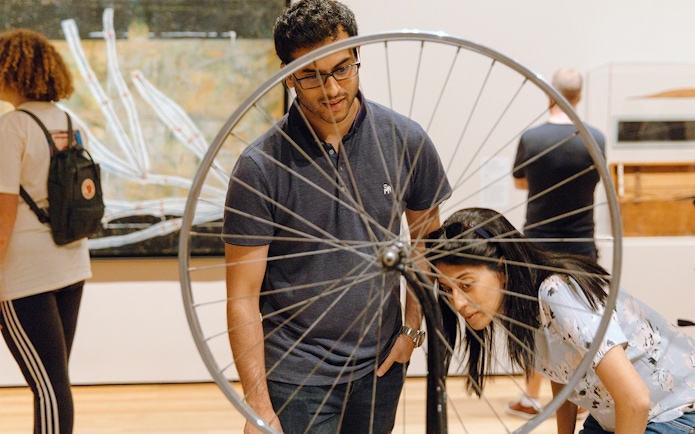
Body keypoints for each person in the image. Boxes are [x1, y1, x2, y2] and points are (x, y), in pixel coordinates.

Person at [222, 1, 452, 433]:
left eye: (342, 68)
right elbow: (241, 296)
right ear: (288, 74)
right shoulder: (259, 166)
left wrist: (411, 333)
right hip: (295, 376)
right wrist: (256, 404)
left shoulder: (406, 140)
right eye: (310, 74)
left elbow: (426, 248)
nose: (330, 88)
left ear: (357, 58)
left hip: (381, 367)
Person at [427, 207, 695, 434]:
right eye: (448, 290)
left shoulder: (557, 292)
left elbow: (636, 400)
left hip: (674, 410)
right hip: (613, 414)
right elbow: (561, 370)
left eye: (466, 285)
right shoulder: (515, 307)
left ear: (502, 266)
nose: (458, 303)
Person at [0, 29, 91, 434]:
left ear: (12, 70)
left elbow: (2, 216)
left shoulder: (11, 127)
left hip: (23, 274)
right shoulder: (71, 123)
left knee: (48, 386)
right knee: (54, 381)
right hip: (71, 263)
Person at [509, 67, 606, 419]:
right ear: (578, 95)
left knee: (537, 321)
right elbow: (597, 181)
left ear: (550, 93)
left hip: (538, 242)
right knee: (583, 322)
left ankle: (531, 397)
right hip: (582, 243)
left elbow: (521, 183)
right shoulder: (595, 137)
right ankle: (581, 400)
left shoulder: (532, 138)